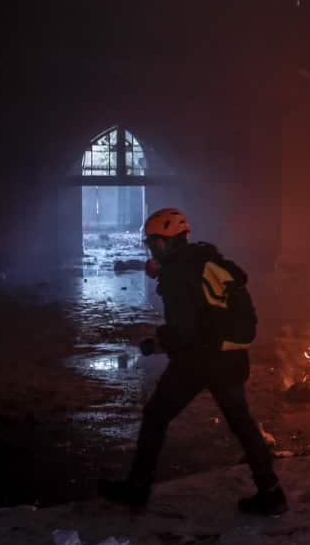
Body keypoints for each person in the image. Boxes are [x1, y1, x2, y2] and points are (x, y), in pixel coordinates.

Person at [98, 208, 287, 516]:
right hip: (230, 357)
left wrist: (156, 343)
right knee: (242, 424)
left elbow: (182, 331)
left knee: (156, 416)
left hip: (198, 360)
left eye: (153, 243)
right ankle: (272, 492)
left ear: (164, 242)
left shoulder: (177, 273)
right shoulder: (204, 260)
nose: (151, 249)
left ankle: (137, 488)